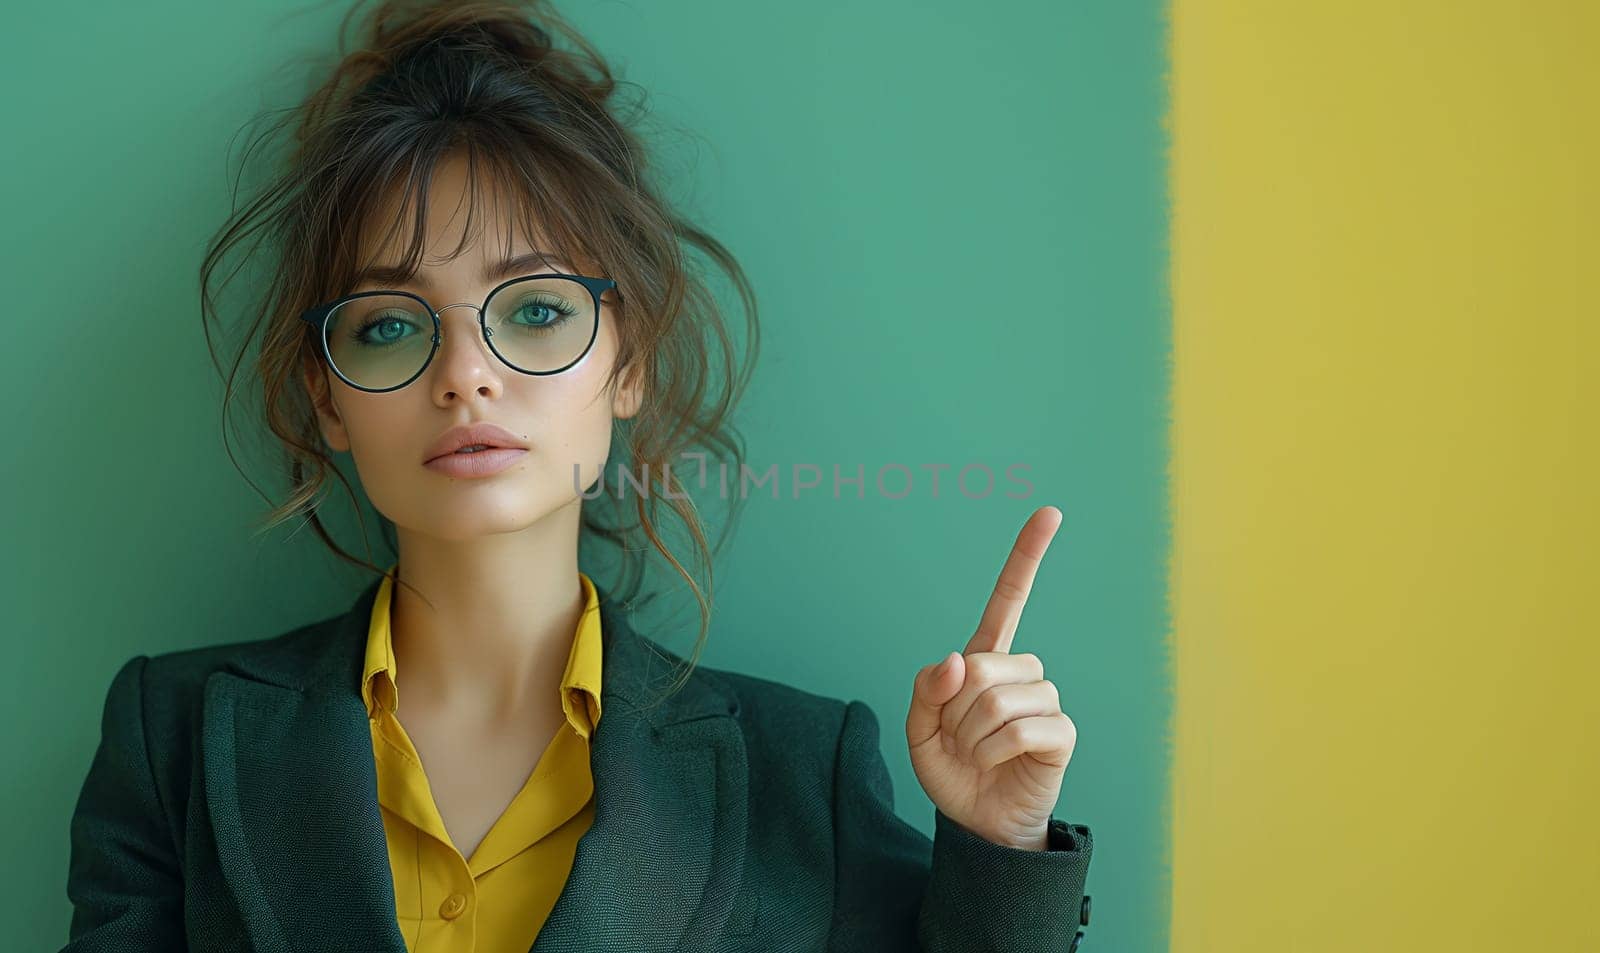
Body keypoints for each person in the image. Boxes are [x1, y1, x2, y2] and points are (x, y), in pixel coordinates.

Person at [61, 1, 1093, 950]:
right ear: (326, 396)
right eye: (386, 324)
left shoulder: (800, 765)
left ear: (628, 361)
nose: (466, 374)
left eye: (538, 309)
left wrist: (1001, 850)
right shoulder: (175, 737)